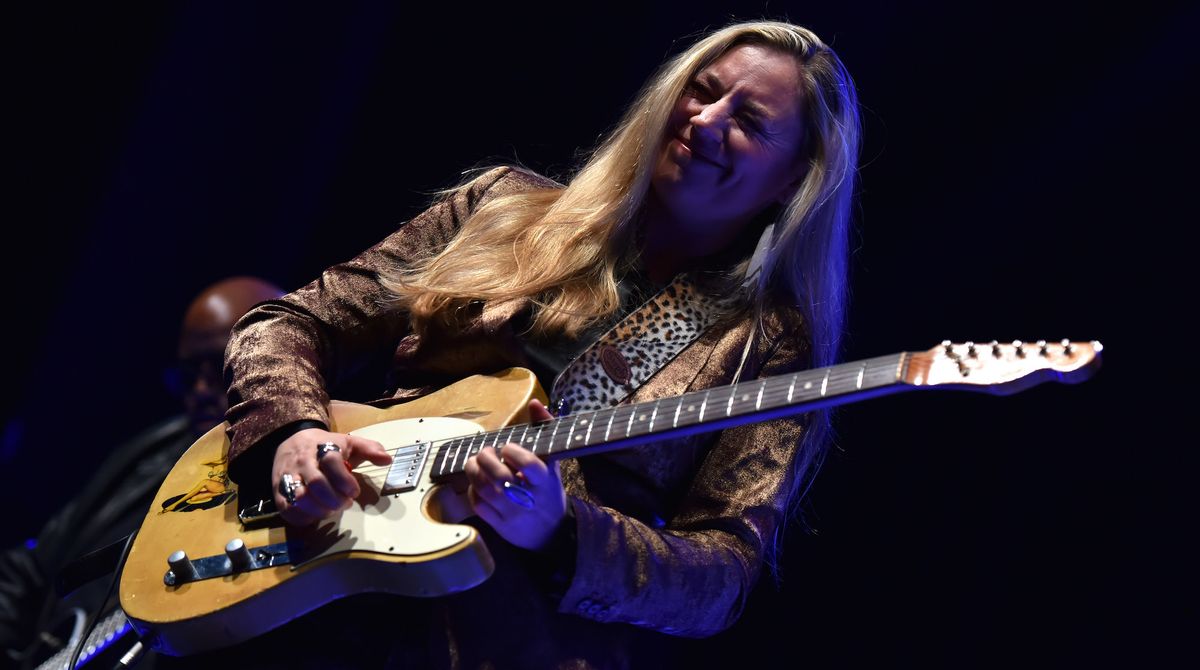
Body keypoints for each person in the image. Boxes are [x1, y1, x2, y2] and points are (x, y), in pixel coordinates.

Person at [219, 20, 860, 668]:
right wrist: (292, 432)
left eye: (749, 119)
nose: (704, 119)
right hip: (319, 592)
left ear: (792, 179)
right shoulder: (500, 205)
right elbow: (286, 323)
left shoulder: (767, 345)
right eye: (703, 89)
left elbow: (720, 579)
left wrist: (563, 532)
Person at [0, 277, 283, 670]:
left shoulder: (295, 474)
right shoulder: (153, 449)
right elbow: (31, 568)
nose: (200, 389)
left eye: (220, 368)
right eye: (188, 374)